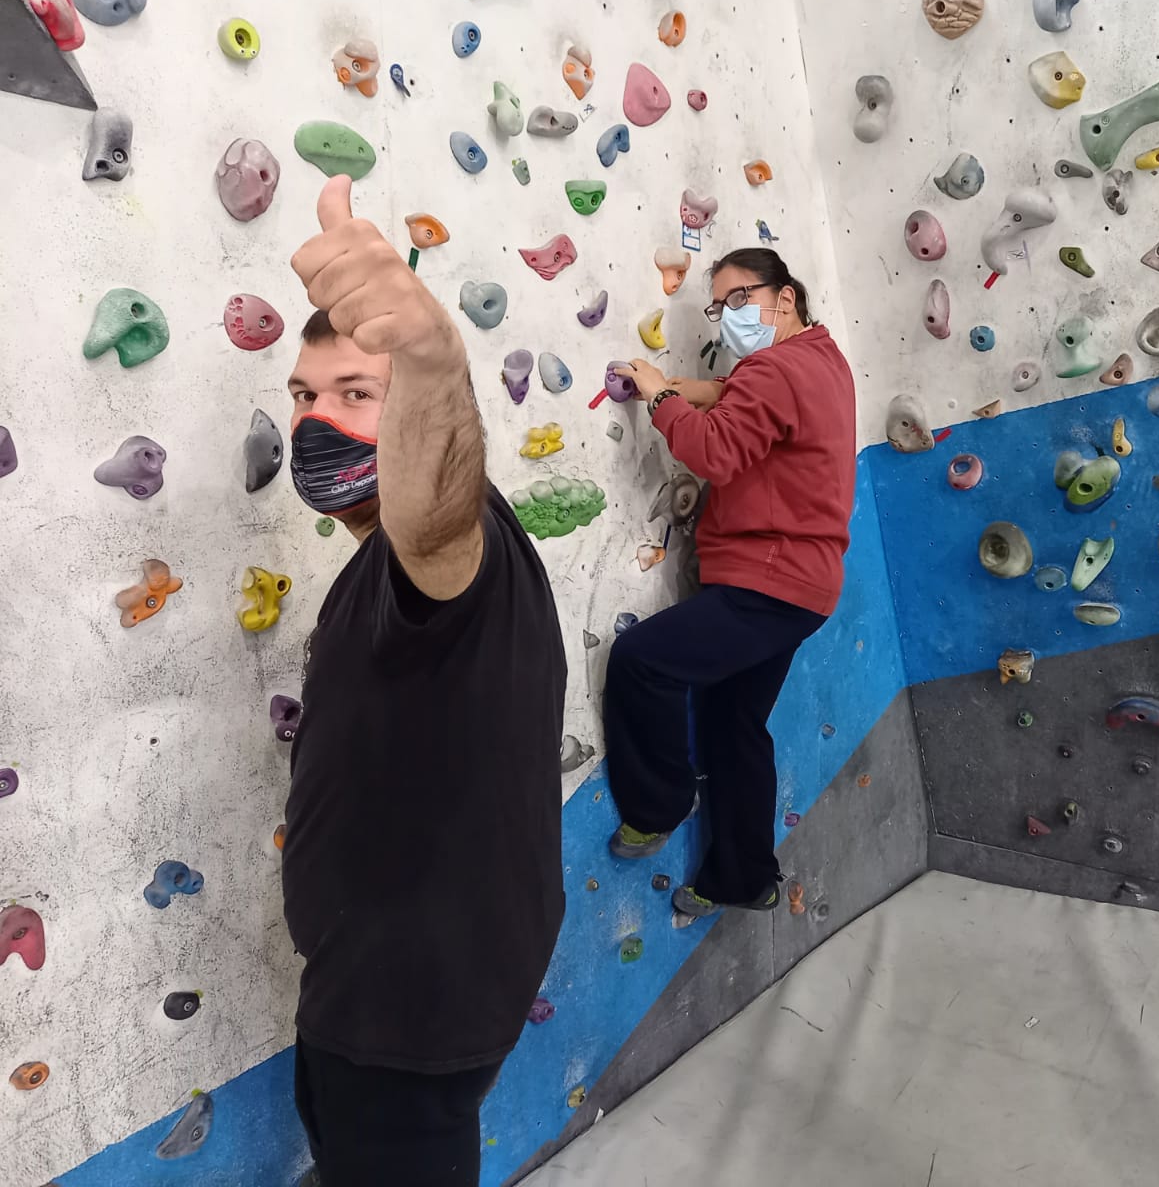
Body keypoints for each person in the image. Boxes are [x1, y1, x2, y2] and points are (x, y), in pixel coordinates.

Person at [280, 176, 566, 1186]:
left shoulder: (446, 552)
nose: (318, 422)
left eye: (357, 395)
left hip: (411, 1015)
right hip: (377, 992)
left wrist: (435, 364)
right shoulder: (376, 568)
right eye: (306, 398)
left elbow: (433, 511)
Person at [603, 248, 856, 919]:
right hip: (805, 585)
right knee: (732, 723)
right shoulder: (823, 360)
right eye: (720, 307)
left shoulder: (773, 370)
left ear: (787, 297)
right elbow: (758, 401)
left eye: (741, 299)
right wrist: (698, 388)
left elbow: (715, 450)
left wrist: (659, 395)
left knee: (641, 662)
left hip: (767, 581)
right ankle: (743, 878)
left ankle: (659, 807)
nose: (729, 317)